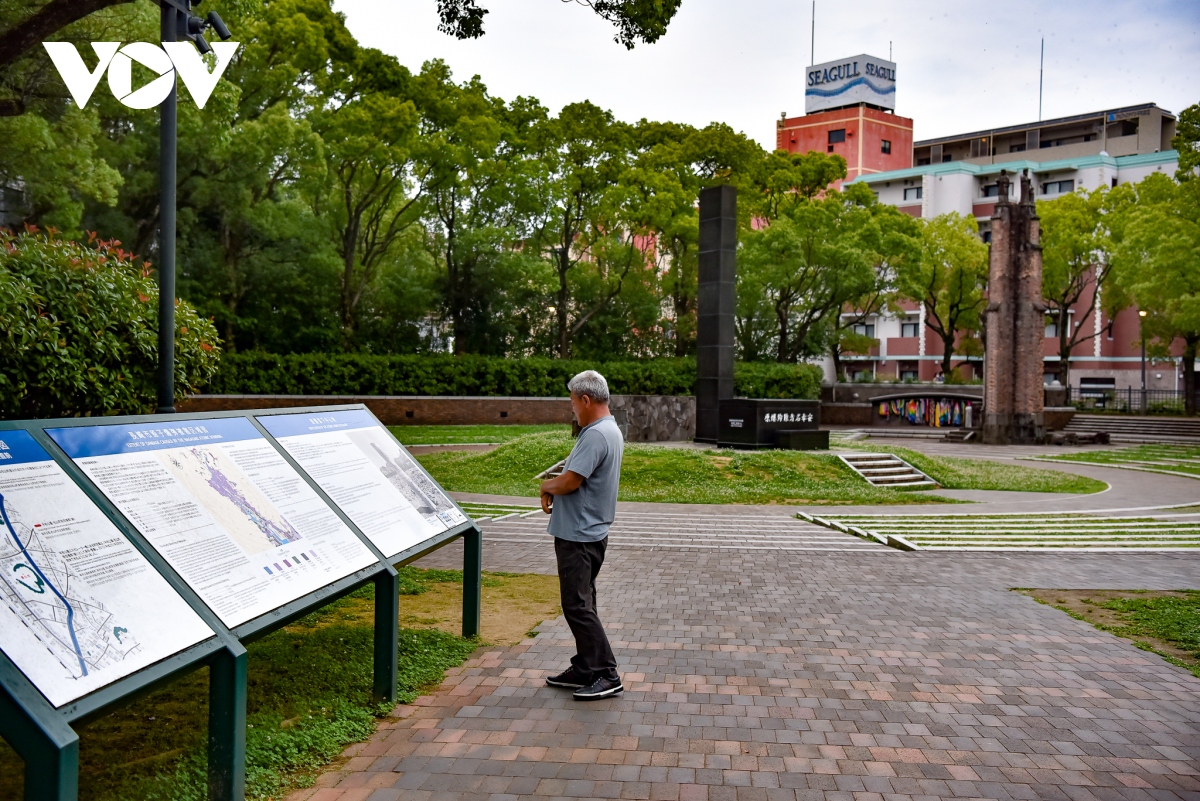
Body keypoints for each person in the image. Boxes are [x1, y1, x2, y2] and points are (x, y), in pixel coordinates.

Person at [539, 370, 624, 701]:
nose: (572, 408)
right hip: (589, 531)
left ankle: (606, 673)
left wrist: (546, 485)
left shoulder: (595, 435)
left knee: (576, 604)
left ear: (586, 400)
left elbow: (571, 481)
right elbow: (575, 476)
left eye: (573, 402)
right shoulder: (608, 430)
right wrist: (555, 484)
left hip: (579, 535)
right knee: (583, 601)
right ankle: (586, 667)